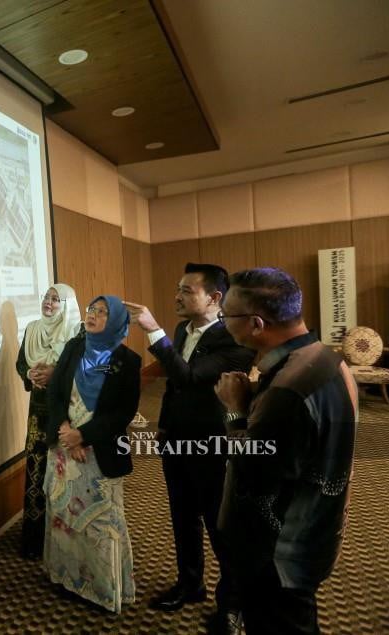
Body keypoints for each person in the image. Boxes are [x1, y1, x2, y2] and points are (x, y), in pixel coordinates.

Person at [215, 268, 357, 634]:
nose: (222, 322)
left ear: (256, 324)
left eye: (226, 315)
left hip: (277, 551)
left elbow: (253, 468)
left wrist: (234, 410)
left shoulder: (287, 390)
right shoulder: (326, 357)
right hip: (314, 529)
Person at [125, 263, 254, 635]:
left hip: (211, 443)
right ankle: (190, 584)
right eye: (178, 289)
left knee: (220, 525)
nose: (177, 296)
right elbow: (174, 385)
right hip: (176, 439)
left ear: (215, 297)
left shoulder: (235, 339)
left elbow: (190, 375)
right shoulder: (183, 329)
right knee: (182, 518)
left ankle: (232, 605)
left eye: (187, 290)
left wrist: (153, 331)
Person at [42, 295, 140, 612]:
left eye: (102, 312)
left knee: (100, 522)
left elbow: (122, 413)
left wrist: (83, 436)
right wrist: (64, 429)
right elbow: (56, 392)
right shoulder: (74, 347)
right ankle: (68, 578)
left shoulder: (128, 361)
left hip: (99, 452)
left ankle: (102, 590)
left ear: (115, 322)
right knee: (64, 517)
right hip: (64, 448)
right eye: (91, 310)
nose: (94, 315)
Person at [15, 284, 81, 559]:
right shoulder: (32, 329)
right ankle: (35, 541)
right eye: (46, 297)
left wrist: (56, 374)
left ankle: (66, 542)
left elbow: (80, 368)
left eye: (56, 299)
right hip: (38, 412)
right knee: (36, 471)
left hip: (67, 413)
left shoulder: (76, 332)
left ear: (66, 305)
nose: (49, 303)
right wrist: (30, 373)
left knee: (64, 472)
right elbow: (20, 362)